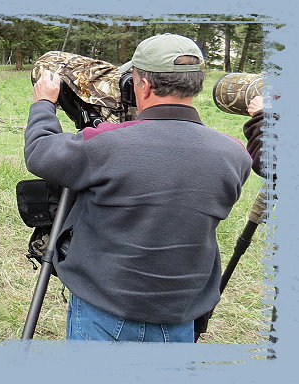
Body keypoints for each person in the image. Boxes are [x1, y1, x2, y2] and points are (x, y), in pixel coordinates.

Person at [24, 33, 252, 343]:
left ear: (142, 84)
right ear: (196, 84)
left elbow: (40, 152)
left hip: (103, 309)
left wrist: (44, 104)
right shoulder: (235, 154)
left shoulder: (105, 144)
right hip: (179, 314)